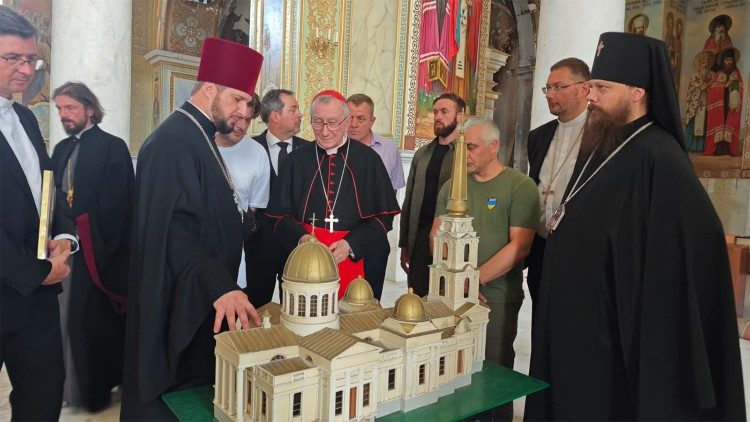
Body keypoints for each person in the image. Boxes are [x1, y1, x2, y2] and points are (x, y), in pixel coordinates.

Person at [526, 32, 745, 420]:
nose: (591, 96)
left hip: (615, 340)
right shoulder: (604, 144)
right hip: (577, 329)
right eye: (591, 86)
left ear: (638, 92)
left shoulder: (661, 158)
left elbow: (697, 247)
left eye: (602, 88)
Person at [121, 37, 264, 419]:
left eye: (248, 103)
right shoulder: (172, 141)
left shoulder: (200, 136)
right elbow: (173, 231)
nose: (243, 111)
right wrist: (219, 285)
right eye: (237, 99)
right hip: (176, 304)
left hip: (197, 299)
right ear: (209, 89)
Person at [432, 116, 538, 420]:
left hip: (495, 298)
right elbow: (436, 236)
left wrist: (473, 283)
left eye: (472, 147)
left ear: (494, 147)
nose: (464, 155)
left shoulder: (520, 186)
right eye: (460, 149)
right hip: (450, 298)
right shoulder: (452, 187)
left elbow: (519, 247)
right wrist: (453, 283)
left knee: (492, 371)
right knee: (451, 368)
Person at [0, 6, 77, 420]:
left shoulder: (27, 118)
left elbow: (50, 186)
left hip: (37, 298)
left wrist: (65, 239)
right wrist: (38, 272)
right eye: (13, 58)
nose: (27, 70)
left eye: (32, 59)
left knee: (43, 395)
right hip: (15, 281)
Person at [265, 90, 399, 298]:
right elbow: (279, 215)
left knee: (356, 325)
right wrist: (302, 240)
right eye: (318, 122)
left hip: (357, 259)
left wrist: (350, 245)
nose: (325, 131)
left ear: (346, 122)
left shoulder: (369, 160)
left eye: (333, 123)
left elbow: (384, 217)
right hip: (307, 260)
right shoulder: (296, 161)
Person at [50, 82, 134, 412]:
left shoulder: (112, 147)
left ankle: (94, 393)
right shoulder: (59, 150)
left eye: (69, 108)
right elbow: (53, 198)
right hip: (63, 251)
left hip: (98, 256)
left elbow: (118, 207)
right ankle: (71, 390)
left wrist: (88, 237)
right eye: (59, 109)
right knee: (64, 323)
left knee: (93, 326)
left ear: (89, 109)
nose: (63, 115)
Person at [526, 58, 589, 305]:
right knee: (540, 317)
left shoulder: (604, 134)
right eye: (547, 88)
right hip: (541, 246)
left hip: (578, 250)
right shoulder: (538, 136)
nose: (550, 94)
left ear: (585, 88)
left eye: (559, 87)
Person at [400, 93, 464, 297]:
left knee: (445, 298)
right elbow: (408, 200)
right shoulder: (422, 153)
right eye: (435, 111)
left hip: (451, 239)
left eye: (445, 112)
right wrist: (404, 244)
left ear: (460, 117)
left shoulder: (465, 154)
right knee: (417, 297)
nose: (437, 116)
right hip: (419, 237)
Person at [245, 89, 305, 306]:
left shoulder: (308, 150)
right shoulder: (248, 148)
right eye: (294, 109)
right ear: (275, 116)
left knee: (295, 309)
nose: (300, 114)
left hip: (297, 248)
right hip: (258, 248)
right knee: (256, 308)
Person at [347, 93, 405, 299]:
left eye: (360, 118)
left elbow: (393, 193)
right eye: (349, 117)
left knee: (370, 298)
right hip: (341, 234)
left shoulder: (389, 151)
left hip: (374, 235)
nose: (353, 124)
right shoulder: (332, 147)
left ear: (372, 121)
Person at [216, 93, 270, 290]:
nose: (242, 126)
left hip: (234, 255)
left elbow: (254, 206)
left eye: (247, 120)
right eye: (237, 118)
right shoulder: (200, 144)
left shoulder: (257, 153)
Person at [703, 48, 743, 157]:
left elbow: (740, 87)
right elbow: (712, 89)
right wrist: (725, 86)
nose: (729, 62)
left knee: (728, 125)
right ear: (723, 61)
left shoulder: (736, 73)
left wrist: (733, 89)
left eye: (731, 60)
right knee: (720, 125)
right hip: (720, 106)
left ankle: (729, 150)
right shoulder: (718, 73)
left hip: (731, 107)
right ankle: (718, 150)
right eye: (727, 60)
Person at [685, 51, 714, 153]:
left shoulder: (712, 75)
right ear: (700, 64)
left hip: (707, 104)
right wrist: (702, 88)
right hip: (696, 105)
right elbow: (692, 91)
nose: (705, 65)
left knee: (705, 123)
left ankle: (702, 147)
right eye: (703, 63)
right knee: (694, 124)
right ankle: (691, 145)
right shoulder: (695, 76)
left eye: (707, 63)